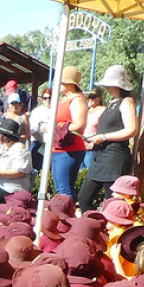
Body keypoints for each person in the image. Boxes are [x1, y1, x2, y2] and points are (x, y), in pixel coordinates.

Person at [79, 65, 139, 212]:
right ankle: (94, 227)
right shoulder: (112, 101)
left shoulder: (127, 102)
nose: (106, 87)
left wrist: (104, 137)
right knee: (83, 198)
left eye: (109, 83)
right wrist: (94, 140)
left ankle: (110, 231)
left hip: (115, 158)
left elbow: (132, 130)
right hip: (100, 158)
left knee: (112, 202)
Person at [52, 66, 89, 198]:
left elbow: (80, 124)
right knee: (60, 189)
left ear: (69, 84)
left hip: (70, 149)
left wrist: (58, 128)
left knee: (64, 190)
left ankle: (67, 217)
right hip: (58, 148)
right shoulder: (63, 100)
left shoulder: (77, 100)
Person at [29, 88, 52, 170]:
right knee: (36, 169)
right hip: (38, 144)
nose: (48, 100)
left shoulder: (57, 111)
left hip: (52, 145)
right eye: (45, 98)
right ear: (42, 99)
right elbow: (33, 130)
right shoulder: (37, 111)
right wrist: (42, 141)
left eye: (50, 97)